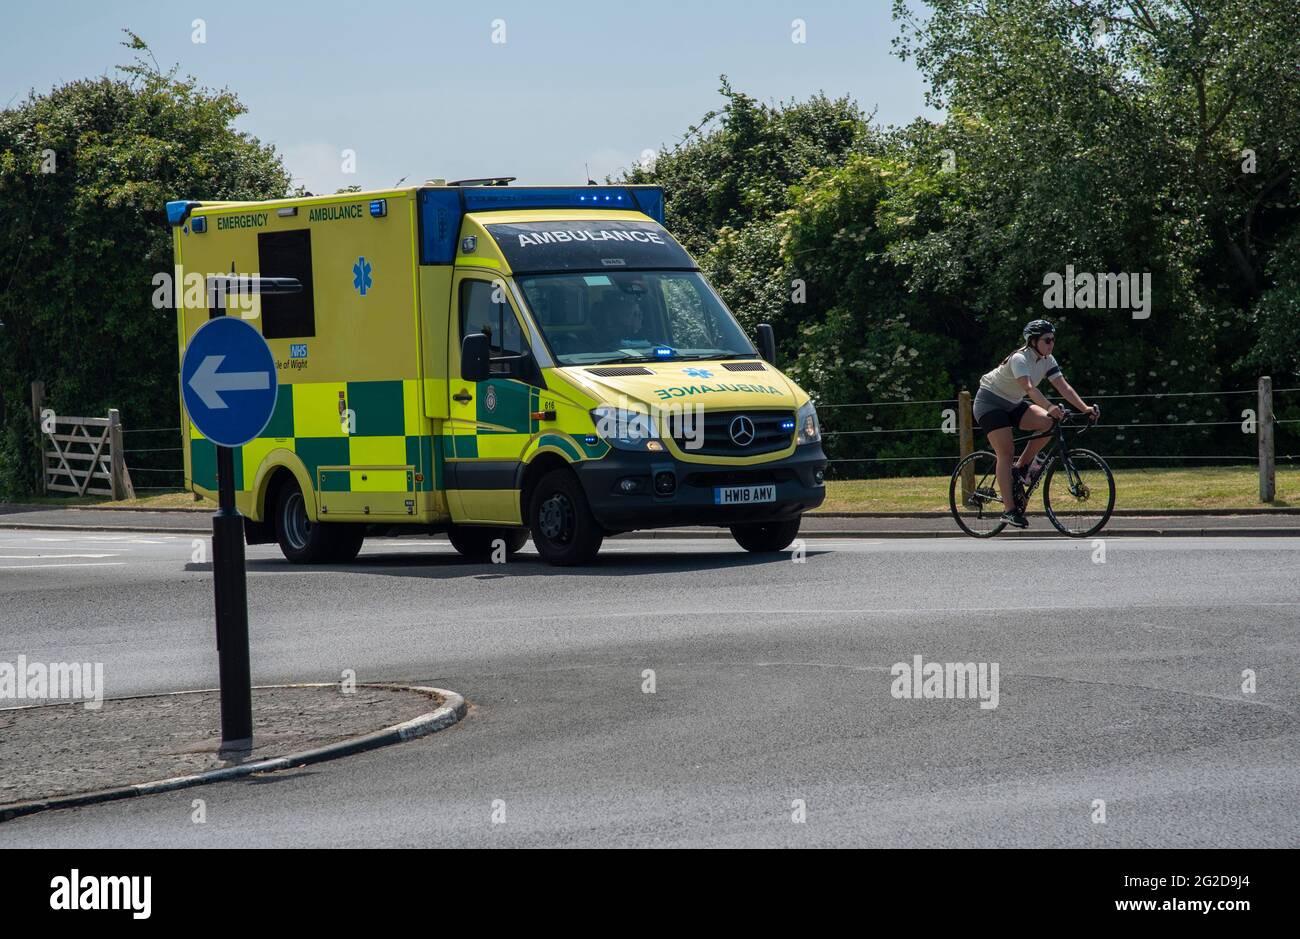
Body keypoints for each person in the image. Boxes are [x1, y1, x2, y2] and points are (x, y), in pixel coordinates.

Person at [974, 319, 1098, 528]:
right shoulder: (1019, 359)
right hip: (989, 403)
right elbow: (1030, 389)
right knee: (1005, 451)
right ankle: (1009, 510)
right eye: (1047, 340)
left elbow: (1064, 387)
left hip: (1013, 403)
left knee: (1049, 424)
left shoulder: (1047, 360)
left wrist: (1084, 408)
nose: (1051, 344)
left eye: (1053, 340)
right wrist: (1050, 406)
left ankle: (1021, 466)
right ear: (1033, 341)